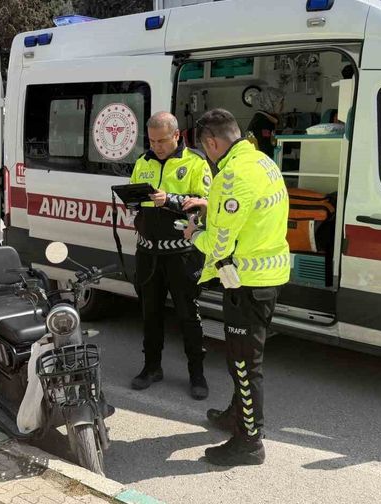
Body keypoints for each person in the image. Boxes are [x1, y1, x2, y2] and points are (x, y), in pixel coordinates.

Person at [183, 108, 290, 466]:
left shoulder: (231, 177)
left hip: (246, 281)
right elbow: (248, 212)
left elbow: (218, 246)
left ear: (212, 143)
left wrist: (195, 232)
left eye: (205, 148)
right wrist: (208, 204)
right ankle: (237, 415)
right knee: (245, 360)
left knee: (243, 364)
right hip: (268, 275)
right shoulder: (260, 161)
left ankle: (249, 441)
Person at [129, 111, 213, 400]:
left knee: (188, 315)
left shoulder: (195, 162)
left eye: (162, 140)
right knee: (149, 314)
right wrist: (131, 202)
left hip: (183, 254)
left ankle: (197, 374)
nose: (157, 146)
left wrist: (171, 200)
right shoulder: (143, 161)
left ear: (177, 135)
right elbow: (136, 196)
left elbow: (206, 204)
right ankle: (151, 367)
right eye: (152, 141)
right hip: (148, 252)